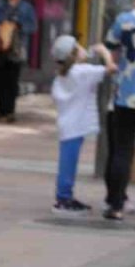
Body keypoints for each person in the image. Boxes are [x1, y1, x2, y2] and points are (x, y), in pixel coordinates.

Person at [101, 0, 135, 221]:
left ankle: (116, 205)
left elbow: (110, 43)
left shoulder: (125, 19)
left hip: (128, 92)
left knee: (122, 149)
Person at [48, 36, 117, 216]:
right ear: (73, 53)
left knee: (67, 161)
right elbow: (111, 69)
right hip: (75, 125)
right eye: (78, 46)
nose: (82, 47)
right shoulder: (82, 71)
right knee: (68, 163)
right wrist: (105, 53)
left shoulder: (63, 75)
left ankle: (65, 197)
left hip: (67, 124)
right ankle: (63, 200)